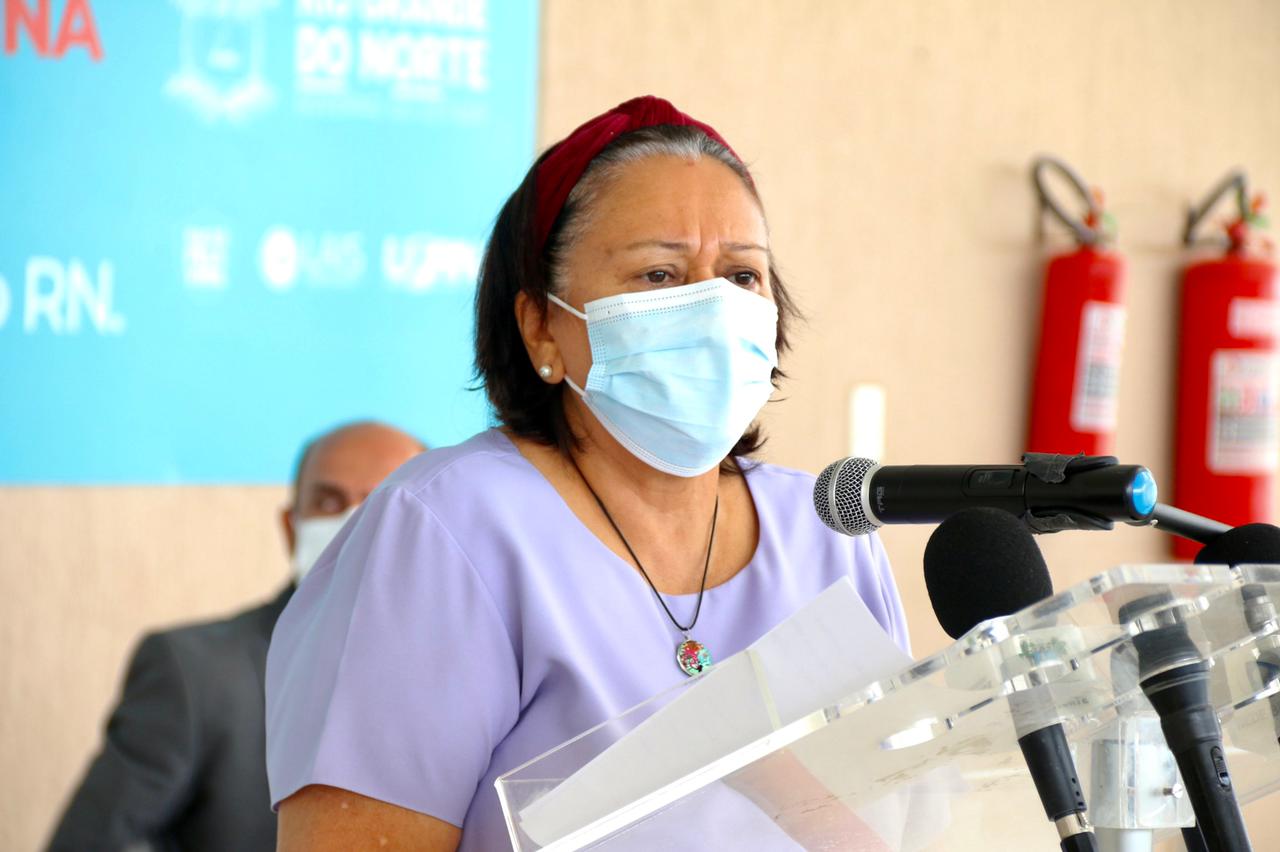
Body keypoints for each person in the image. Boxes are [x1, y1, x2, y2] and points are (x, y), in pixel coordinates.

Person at [266, 96, 911, 851]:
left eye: (742, 276)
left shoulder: (828, 526)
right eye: (660, 274)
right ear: (542, 326)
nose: (712, 308)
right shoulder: (446, 529)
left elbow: (893, 813)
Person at [47, 421, 424, 852]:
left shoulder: (471, 676)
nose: (350, 525)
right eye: (327, 502)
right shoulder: (196, 672)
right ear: (290, 527)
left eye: (377, 507)